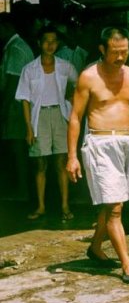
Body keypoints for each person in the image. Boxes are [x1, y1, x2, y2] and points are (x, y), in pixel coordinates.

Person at [67, 26, 129, 285]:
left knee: (114, 201)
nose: (121, 57)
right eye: (115, 52)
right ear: (102, 50)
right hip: (100, 143)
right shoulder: (88, 77)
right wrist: (72, 156)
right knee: (115, 208)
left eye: (125, 52)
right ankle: (126, 263)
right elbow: (75, 117)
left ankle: (96, 247)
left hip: (126, 142)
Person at [16, 24, 78, 221]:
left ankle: (65, 206)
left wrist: (71, 104)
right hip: (39, 117)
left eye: (53, 41)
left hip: (60, 115)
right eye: (46, 41)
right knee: (40, 164)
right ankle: (41, 206)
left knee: (61, 162)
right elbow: (24, 100)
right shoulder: (29, 69)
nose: (50, 45)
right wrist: (28, 128)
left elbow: (78, 85)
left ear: (57, 43)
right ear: (39, 43)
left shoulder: (65, 66)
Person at [0, 13, 34, 200]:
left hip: (15, 105)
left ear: (6, 26)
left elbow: (12, 82)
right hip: (20, 104)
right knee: (19, 147)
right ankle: (23, 188)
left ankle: (22, 190)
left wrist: (3, 110)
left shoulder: (15, 48)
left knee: (18, 148)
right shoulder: (18, 46)